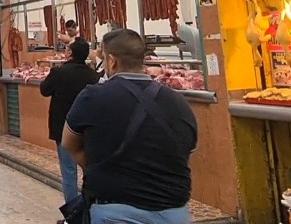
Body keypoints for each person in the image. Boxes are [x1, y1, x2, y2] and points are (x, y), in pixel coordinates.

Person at [62, 29, 197, 224]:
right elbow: (186, 150)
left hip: (115, 211)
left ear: (111, 61)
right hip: (173, 213)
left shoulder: (93, 97)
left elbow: (69, 142)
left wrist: (97, 170)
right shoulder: (178, 102)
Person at [39, 38, 99, 208]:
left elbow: (44, 90)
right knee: (89, 168)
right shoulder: (92, 75)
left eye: (67, 48)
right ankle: (90, 207)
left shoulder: (59, 72)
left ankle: (73, 212)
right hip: (89, 129)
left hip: (64, 128)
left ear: (70, 53)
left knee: (68, 171)